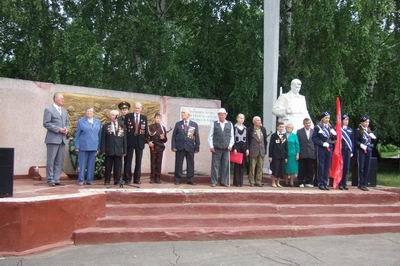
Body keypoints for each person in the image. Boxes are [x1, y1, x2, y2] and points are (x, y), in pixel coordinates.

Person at [43, 92, 70, 186]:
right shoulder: (48, 109)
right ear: (56, 99)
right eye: (61, 98)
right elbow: (46, 123)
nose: (63, 100)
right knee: (51, 160)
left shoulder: (64, 110)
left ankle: (56, 178)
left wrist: (67, 129)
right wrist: (59, 129)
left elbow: (67, 123)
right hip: (52, 139)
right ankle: (50, 179)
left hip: (62, 140)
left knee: (60, 160)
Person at [171, 109, 200, 185]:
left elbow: (197, 136)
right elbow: (173, 136)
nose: (182, 114)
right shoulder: (178, 124)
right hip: (180, 147)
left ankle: (190, 179)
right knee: (178, 163)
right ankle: (177, 179)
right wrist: (173, 146)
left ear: (188, 115)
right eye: (182, 113)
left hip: (190, 147)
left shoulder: (194, 124)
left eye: (184, 113)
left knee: (190, 163)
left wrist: (197, 147)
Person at [74, 107, 102, 185]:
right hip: (83, 146)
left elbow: (99, 135)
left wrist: (98, 147)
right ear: (85, 112)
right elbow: (77, 135)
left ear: (93, 113)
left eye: (91, 111)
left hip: (94, 146)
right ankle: (81, 180)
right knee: (82, 164)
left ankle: (89, 180)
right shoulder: (81, 121)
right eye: (88, 111)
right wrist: (77, 146)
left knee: (91, 165)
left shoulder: (98, 122)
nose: (89, 113)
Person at [208, 108, 234, 187]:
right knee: (215, 166)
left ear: (225, 115)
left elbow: (232, 136)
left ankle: (223, 182)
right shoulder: (214, 123)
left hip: (226, 149)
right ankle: (214, 182)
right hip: (216, 148)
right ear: (218, 115)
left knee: (225, 166)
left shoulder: (230, 124)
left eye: (223, 114)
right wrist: (211, 146)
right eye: (220, 114)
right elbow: (210, 136)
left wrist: (230, 145)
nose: (221, 116)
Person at [100, 110, 127, 186]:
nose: (114, 116)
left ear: (117, 116)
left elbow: (124, 139)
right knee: (108, 166)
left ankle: (117, 180)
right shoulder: (105, 126)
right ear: (110, 116)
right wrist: (103, 150)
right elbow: (103, 139)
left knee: (118, 167)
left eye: (115, 115)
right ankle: (107, 180)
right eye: (112, 115)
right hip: (109, 150)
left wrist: (124, 150)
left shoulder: (122, 126)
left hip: (118, 150)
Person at [124, 102, 148, 184]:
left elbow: (145, 131)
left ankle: (137, 179)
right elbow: (125, 130)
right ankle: (127, 179)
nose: (137, 109)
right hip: (130, 142)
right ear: (134, 108)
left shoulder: (144, 117)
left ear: (141, 109)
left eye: (139, 108)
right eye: (136, 108)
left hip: (139, 143)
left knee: (138, 162)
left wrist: (146, 141)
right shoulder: (128, 116)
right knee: (128, 161)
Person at [312, 112, 336, 190]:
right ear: (322, 118)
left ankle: (325, 182)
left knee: (327, 166)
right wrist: (322, 143)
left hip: (329, 148)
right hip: (321, 149)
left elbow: (334, 139)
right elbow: (314, 138)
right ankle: (320, 183)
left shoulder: (330, 127)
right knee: (321, 166)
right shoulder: (318, 127)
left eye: (328, 118)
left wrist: (334, 135)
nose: (327, 119)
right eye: (326, 118)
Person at [355, 115, 376, 191]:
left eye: (368, 122)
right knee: (361, 168)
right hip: (361, 151)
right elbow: (356, 141)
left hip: (368, 150)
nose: (367, 123)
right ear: (362, 122)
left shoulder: (369, 130)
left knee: (367, 167)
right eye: (366, 122)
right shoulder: (358, 130)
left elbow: (373, 141)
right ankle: (360, 184)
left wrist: (372, 143)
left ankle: (364, 183)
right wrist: (361, 145)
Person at [247, 116, 268, 187]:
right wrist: (248, 149)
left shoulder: (263, 129)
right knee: (252, 167)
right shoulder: (250, 129)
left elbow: (265, 141)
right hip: (253, 150)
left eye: (260, 120)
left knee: (260, 167)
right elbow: (247, 141)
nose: (260, 121)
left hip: (261, 150)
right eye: (258, 120)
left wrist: (265, 150)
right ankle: (251, 181)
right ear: (254, 122)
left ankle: (258, 181)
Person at [148, 113, 168, 184]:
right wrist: (149, 142)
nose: (157, 119)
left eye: (159, 118)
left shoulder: (163, 128)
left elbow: (165, 140)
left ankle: (158, 178)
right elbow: (147, 137)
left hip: (160, 147)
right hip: (153, 147)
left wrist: (163, 138)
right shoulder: (150, 127)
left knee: (159, 162)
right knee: (153, 162)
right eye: (156, 118)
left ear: (160, 119)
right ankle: (152, 178)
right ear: (154, 118)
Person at [296, 118, 316, 188]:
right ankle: (300, 182)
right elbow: (297, 143)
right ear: (303, 124)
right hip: (302, 152)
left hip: (311, 152)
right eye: (306, 123)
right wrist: (298, 152)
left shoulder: (314, 131)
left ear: (310, 124)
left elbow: (315, 142)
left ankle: (309, 182)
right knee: (301, 168)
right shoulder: (299, 131)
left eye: (309, 123)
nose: (308, 124)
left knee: (310, 169)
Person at [268, 122, 288, 188]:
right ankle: (273, 182)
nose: (281, 128)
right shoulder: (274, 135)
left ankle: (278, 182)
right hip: (275, 155)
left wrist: (286, 157)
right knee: (275, 169)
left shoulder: (285, 135)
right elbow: (271, 146)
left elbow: (286, 147)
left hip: (282, 156)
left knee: (280, 170)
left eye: (283, 127)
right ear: (277, 127)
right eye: (280, 127)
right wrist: (270, 156)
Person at [232, 114, 249, 187]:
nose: (242, 119)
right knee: (237, 165)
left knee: (242, 165)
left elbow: (247, 140)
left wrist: (247, 149)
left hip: (244, 148)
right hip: (237, 147)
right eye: (240, 118)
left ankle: (241, 182)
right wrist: (234, 148)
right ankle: (236, 182)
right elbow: (232, 138)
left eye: (243, 118)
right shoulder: (234, 127)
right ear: (237, 118)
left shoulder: (246, 128)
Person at [340, 114, 353, 190]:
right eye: (345, 120)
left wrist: (352, 151)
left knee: (346, 167)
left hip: (348, 150)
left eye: (347, 120)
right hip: (341, 150)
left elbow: (352, 141)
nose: (346, 121)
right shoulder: (338, 129)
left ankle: (345, 183)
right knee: (341, 167)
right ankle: (340, 183)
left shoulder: (350, 130)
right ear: (342, 121)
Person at [285, 122, 300, 187]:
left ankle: (291, 182)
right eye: (288, 127)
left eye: (290, 127)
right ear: (285, 128)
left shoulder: (294, 136)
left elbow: (297, 145)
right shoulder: (282, 135)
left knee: (293, 169)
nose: (289, 128)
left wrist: (297, 154)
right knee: (285, 168)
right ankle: (286, 182)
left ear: (292, 129)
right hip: (285, 154)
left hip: (293, 154)